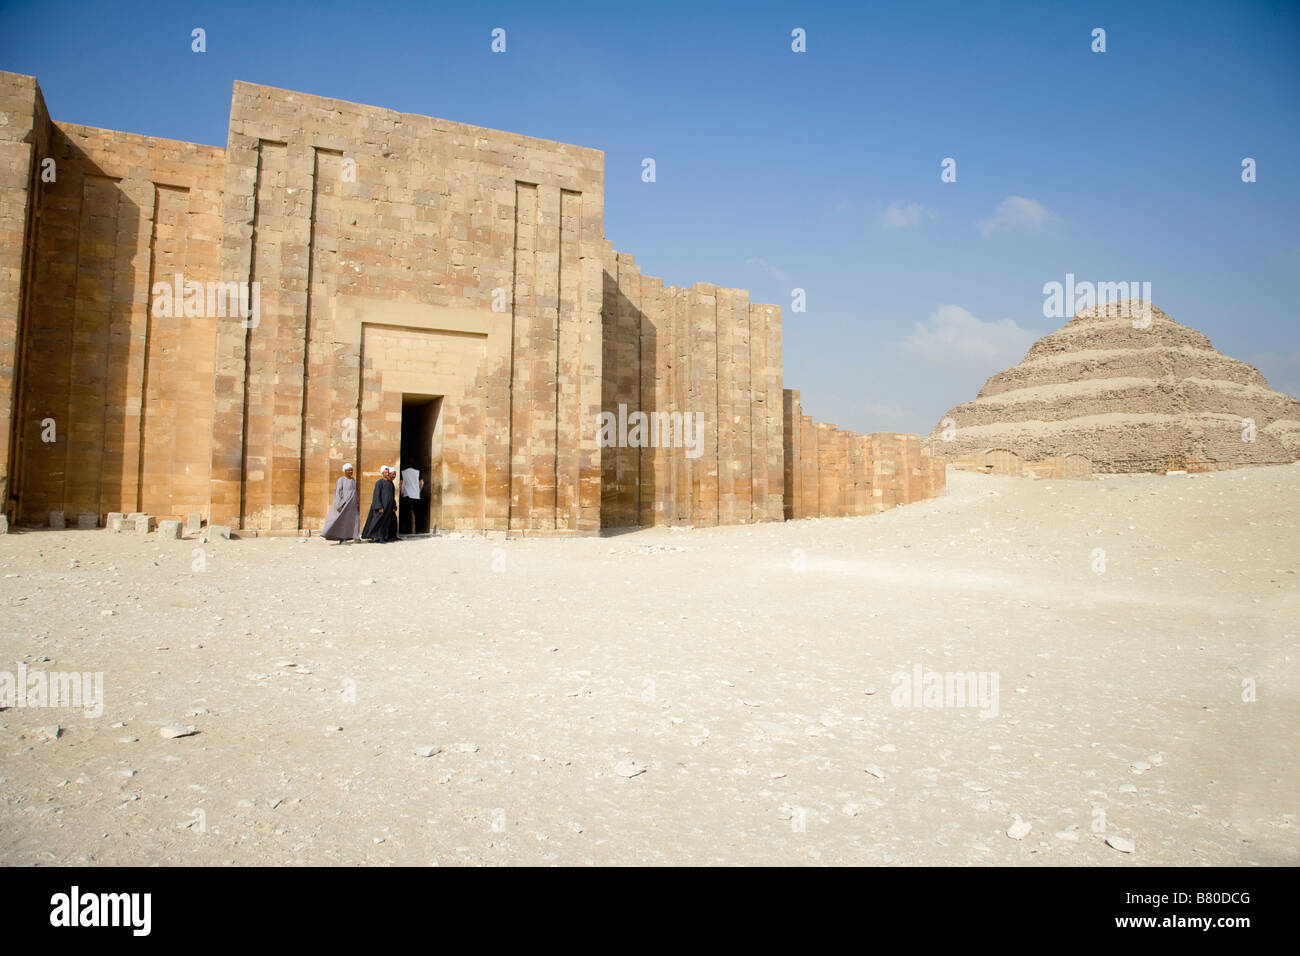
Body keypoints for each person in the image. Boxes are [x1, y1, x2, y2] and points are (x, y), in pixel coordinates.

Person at [320, 463, 360, 543]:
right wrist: (339, 505)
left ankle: (355, 536)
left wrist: (357, 503)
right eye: (349, 470)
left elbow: (355, 492)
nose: (351, 471)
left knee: (355, 520)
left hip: (352, 504)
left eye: (351, 470)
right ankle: (342, 538)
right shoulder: (341, 480)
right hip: (344, 504)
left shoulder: (353, 480)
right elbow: (338, 493)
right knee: (343, 521)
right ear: (345, 471)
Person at [361, 466, 398, 543]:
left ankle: (385, 537)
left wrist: (394, 505)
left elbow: (392, 496)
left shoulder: (390, 483)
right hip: (381, 507)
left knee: (386, 523)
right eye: (386, 472)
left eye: (388, 472)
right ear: (382, 473)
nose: (388, 474)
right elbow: (376, 495)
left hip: (389, 507)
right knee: (378, 522)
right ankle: (377, 537)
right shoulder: (379, 483)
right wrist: (379, 506)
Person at [400, 457, 424, 535]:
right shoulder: (417, 472)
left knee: (406, 513)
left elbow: (401, 483)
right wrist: (419, 491)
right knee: (417, 513)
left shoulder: (403, 472)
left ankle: (407, 529)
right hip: (416, 494)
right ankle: (417, 530)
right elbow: (422, 482)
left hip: (406, 494)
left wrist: (401, 492)